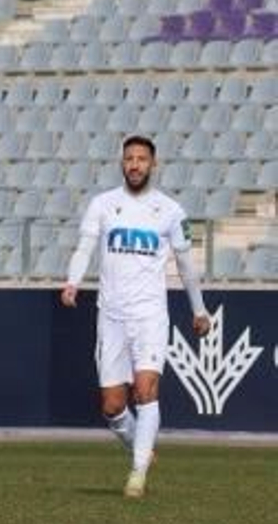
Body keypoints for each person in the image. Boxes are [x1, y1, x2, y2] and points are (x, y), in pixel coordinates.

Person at [61, 135, 210, 499]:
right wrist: (72, 282)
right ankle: (138, 447)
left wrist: (199, 309)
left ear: (153, 165)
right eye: (129, 158)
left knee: (146, 390)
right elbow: (85, 247)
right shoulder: (103, 204)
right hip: (110, 315)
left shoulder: (170, 211)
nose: (135, 165)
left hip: (150, 316)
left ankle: (137, 474)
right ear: (122, 163)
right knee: (113, 406)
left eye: (142, 159)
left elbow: (186, 266)